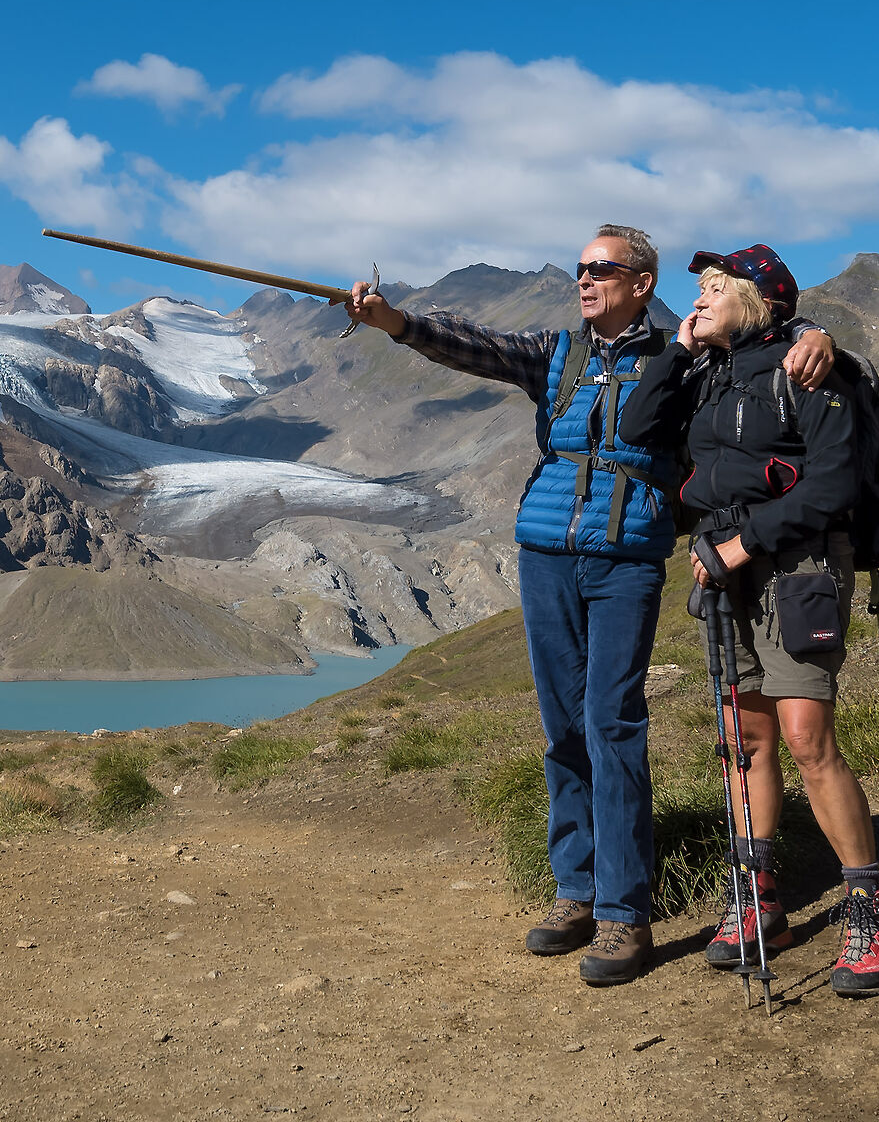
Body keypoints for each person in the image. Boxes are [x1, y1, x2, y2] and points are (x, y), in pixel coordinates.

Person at [345, 227, 835, 985]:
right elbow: (471, 345)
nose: (585, 279)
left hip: (626, 560)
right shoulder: (558, 352)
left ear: (642, 281)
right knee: (562, 728)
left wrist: (814, 332)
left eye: (601, 268)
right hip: (545, 555)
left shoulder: (683, 351)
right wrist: (397, 323)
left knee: (613, 723)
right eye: (581, 268)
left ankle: (623, 914)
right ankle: (574, 891)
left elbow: (759, 332)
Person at [614, 244, 879, 997]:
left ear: (762, 302)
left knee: (809, 738)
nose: (700, 299)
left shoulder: (809, 367)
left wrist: (745, 542)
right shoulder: (706, 373)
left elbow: (833, 481)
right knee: (745, 740)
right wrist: (676, 351)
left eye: (716, 288)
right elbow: (639, 427)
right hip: (726, 569)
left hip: (797, 567)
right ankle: (758, 898)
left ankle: (871, 911)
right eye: (699, 290)